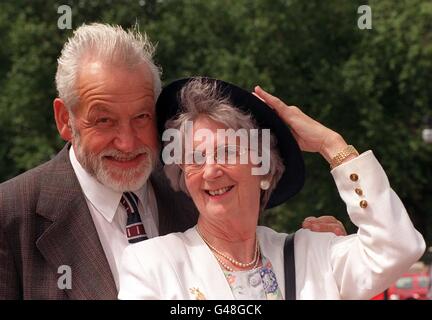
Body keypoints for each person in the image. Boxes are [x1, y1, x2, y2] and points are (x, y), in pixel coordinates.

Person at [0, 23, 344, 300]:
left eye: (141, 117)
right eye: (103, 120)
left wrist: (317, 260)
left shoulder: (200, 186)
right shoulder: (10, 217)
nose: (127, 142)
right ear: (65, 120)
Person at [118, 77, 425, 300]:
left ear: (264, 168)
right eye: (195, 159)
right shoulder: (152, 265)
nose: (211, 171)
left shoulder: (312, 254)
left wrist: (331, 145)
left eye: (226, 152)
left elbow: (397, 246)